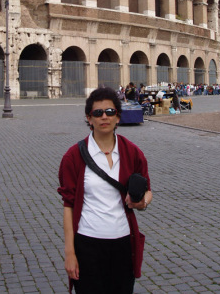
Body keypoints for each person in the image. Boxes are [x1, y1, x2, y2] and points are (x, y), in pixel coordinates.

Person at [58, 86, 152, 293]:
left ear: (118, 117)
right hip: (87, 243)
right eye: (97, 113)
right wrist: (70, 252)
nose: (104, 117)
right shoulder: (73, 157)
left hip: (123, 242)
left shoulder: (132, 152)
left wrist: (142, 202)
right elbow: (69, 205)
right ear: (89, 119)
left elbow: (148, 189)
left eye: (110, 112)